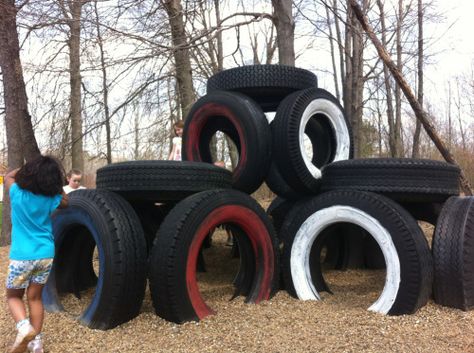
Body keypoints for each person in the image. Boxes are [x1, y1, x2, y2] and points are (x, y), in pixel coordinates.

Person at [4, 156, 68, 353]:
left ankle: (24, 328)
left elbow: (8, 175)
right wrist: (58, 183)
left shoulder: (17, 192)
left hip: (22, 256)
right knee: (35, 298)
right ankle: (36, 344)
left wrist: (25, 168)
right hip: (45, 254)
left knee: (13, 296)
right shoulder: (51, 199)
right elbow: (66, 200)